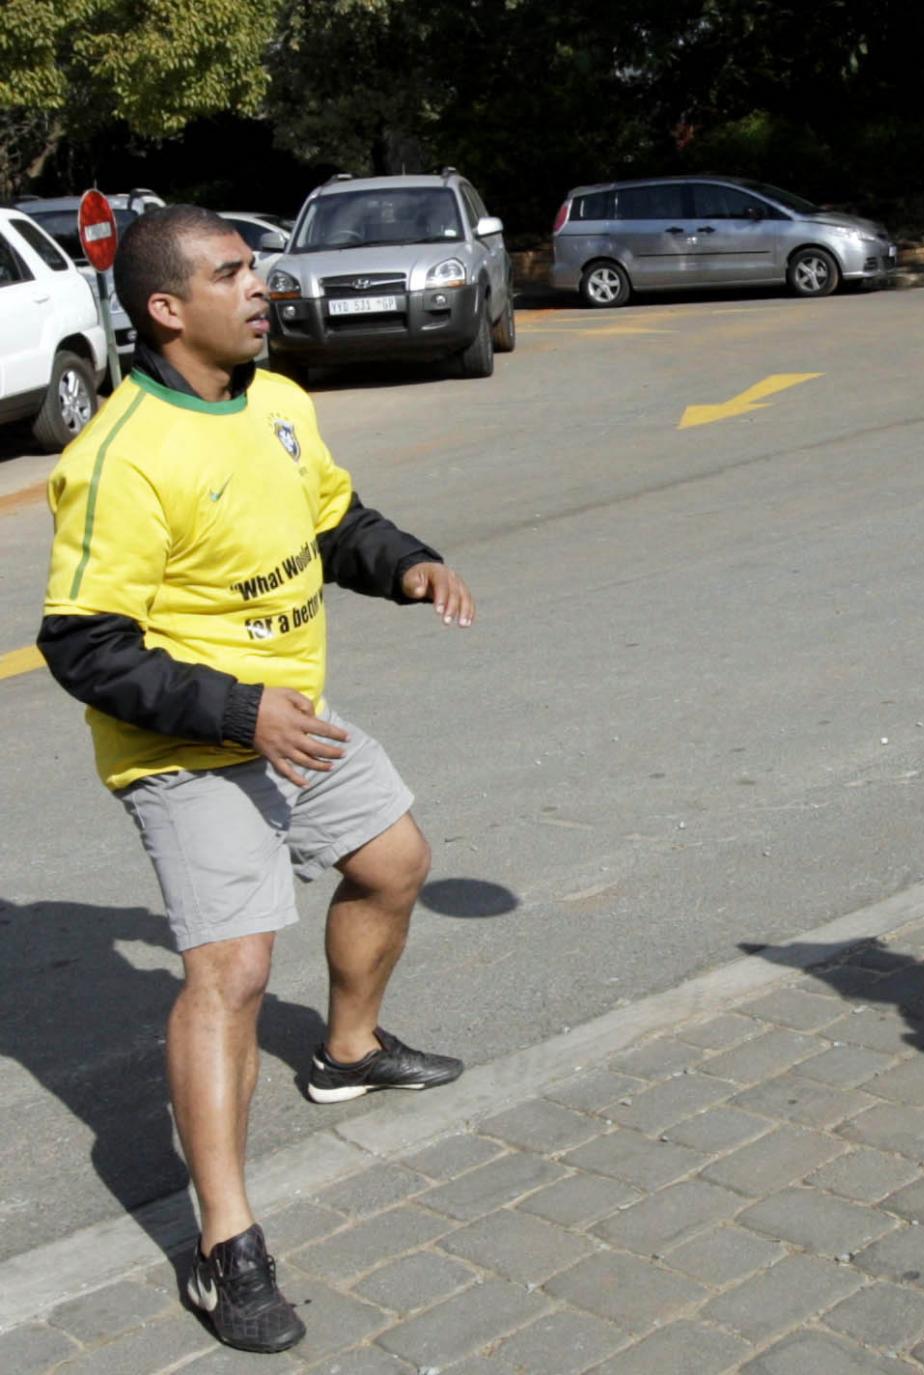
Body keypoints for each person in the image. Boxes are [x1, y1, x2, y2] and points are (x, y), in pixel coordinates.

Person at [39, 205, 476, 1354]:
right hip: (186, 747)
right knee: (230, 972)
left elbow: (332, 521)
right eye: (232, 273)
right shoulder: (121, 456)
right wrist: (241, 711)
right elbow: (83, 645)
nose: (261, 286)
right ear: (166, 309)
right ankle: (225, 1243)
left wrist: (408, 562)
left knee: (395, 861)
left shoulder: (277, 402)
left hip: (293, 721)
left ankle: (347, 1053)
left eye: (255, 268)